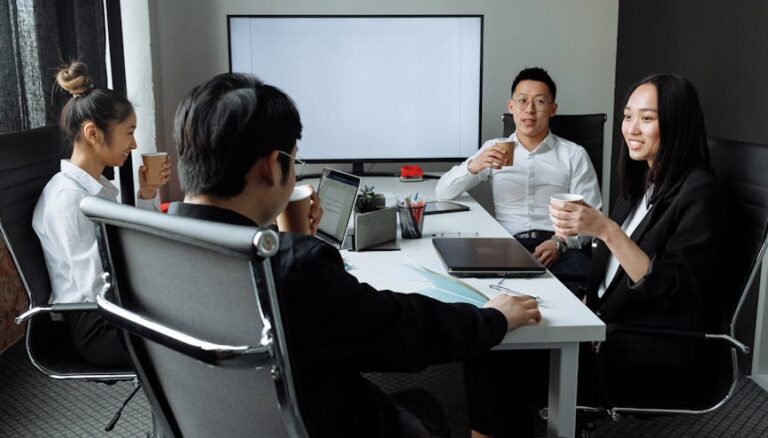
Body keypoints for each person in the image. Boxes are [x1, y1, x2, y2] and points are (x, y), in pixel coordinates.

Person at [168, 72, 542, 438]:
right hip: (329, 422)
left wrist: (291, 241)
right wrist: (491, 318)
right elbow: (402, 330)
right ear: (270, 166)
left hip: (212, 421)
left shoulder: (156, 250)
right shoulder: (295, 268)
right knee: (424, 406)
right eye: (294, 162)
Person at [463, 73, 729, 438]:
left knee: (492, 354)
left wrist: (606, 229)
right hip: (603, 325)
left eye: (647, 118)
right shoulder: (643, 184)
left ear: (677, 123)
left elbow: (673, 290)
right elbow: (609, 268)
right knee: (486, 340)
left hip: (642, 348)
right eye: (627, 116)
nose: (632, 129)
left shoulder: (700, 193)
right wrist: (588, 300)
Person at [32, 61, 172, 367]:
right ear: (93, 133)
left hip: (114, 310)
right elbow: (98, 287)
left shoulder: (95, 190)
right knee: (193, 335)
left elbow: (127, 246)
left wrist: (147, 193)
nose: (134, 144)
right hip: (98, 327)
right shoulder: (70, 199)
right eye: (129, 133)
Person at [436, 67, 602, 287]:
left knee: (584, 292)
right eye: (522, 100)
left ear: (553, 109)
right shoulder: (495, 149)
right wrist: (474, 166)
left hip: (560, 246)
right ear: (511, 106)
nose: (529, 110)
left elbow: (593, 216)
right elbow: (443, 191)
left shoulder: (573, 154)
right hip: (507, 245)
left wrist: (560, 243)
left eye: (539, 102)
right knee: (481, 290)